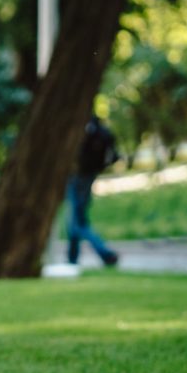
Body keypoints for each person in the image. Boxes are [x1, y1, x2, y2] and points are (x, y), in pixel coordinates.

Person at [66, 114, 120, 267]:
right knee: (76, 218)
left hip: (78, 177)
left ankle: (104, 253)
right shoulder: (97, 128)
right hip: (88, 176)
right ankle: (72, 259)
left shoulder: (83, 127)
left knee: (77, 221)